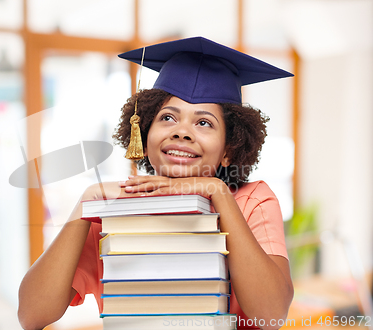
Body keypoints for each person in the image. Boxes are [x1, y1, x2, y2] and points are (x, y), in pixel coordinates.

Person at [18, 36, 294, 330]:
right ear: (144, 135)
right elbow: (33, 315)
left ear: (229, 149)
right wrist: (87, 201)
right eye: (167, 118)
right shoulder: (112, 211)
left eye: (203, 123)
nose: (182, 132)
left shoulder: (252, 202)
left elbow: (271, 315)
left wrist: (217, 192)